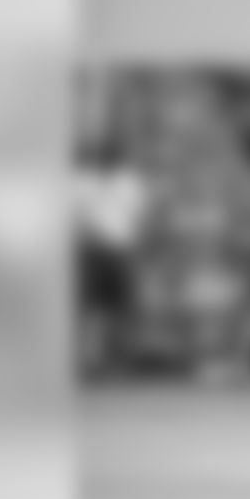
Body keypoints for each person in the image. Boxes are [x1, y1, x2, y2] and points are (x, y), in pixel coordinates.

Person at [74, 140, 149, 379]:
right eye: (105, 156)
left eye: (112, 156)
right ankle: (91, 360)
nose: (108, 160)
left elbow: (139, 216)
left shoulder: (130, 183)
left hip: (120, 251)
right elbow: (77, 216)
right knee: (92, 308)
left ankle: (118, 360)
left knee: (120, 307)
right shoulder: (85, 182)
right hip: (93, 250)